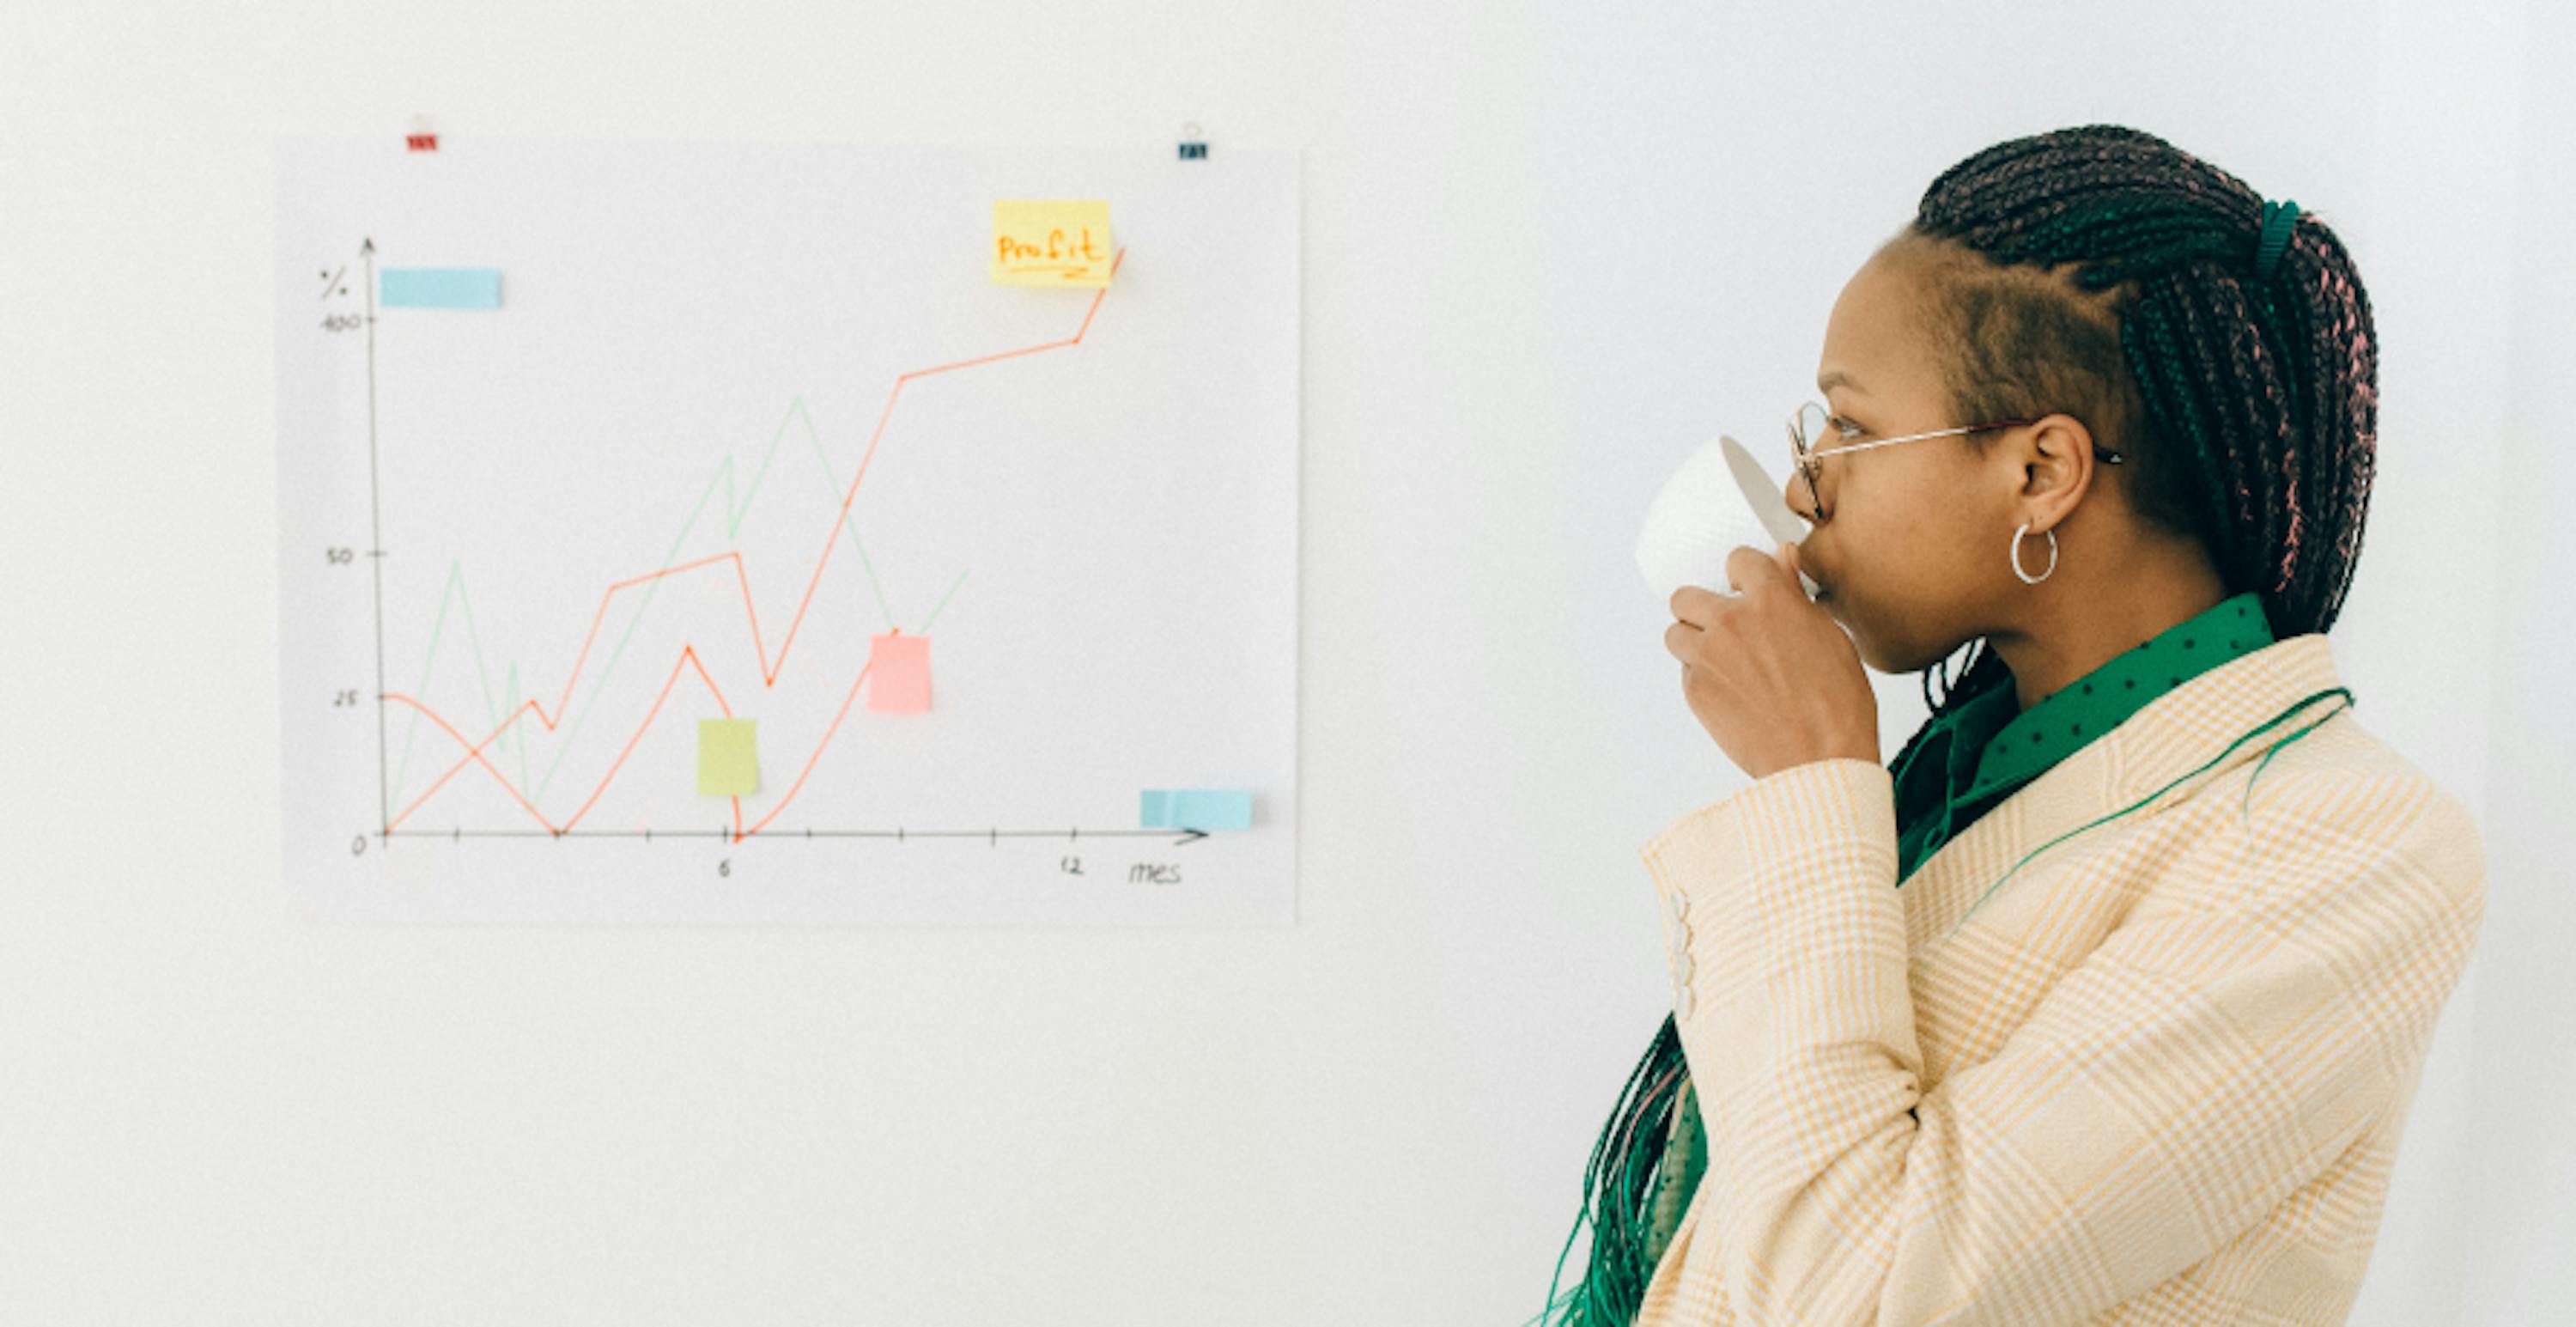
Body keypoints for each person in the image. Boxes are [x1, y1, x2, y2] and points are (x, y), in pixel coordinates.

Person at [1534, 125, 2488, 1324]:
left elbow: (1857, 1294)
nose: (1803, 486)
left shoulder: (2345, 843)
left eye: (1850, 429)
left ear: (2042, 473)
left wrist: (1809, 779)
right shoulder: (1970, 775)